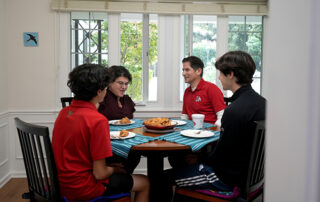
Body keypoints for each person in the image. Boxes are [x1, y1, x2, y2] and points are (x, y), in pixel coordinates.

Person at [172, 51, 266, 196]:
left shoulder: (234, 110)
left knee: (162, 178)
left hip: (227, 178)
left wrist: (199, 159)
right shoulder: (262, 103)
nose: (219, 77)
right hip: (252, 176)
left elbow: (221, 156)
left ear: (231, 74)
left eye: (221, 73)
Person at [52, 64, 149, 201]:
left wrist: (108, 166)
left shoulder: (64, 113)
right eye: (105, 87)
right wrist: (115, 169)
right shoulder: (97, 120)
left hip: (60, 184)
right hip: (85, 187)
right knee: (145, 182)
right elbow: (100, 174)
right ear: (99, 91)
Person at [98, 65, 140, 174]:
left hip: (126, 141)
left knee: (135, 154)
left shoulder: (127, 100)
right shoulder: (102, 98)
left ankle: (122, 182)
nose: (124, 87)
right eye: (120, 83)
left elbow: (132, 123)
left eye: (126, 84)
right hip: (107, 146)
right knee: (133, 154)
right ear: (109, 83)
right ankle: (118, 181)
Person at [181, 56, 226, 126]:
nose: (183, 73)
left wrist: (216, 130)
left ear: (198, 71)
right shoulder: (187, 91)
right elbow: (185, 116)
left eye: (187, 70)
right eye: (183, 70)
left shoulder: (211, 88)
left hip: (210, 132)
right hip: (190, 132)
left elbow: (222, 115)